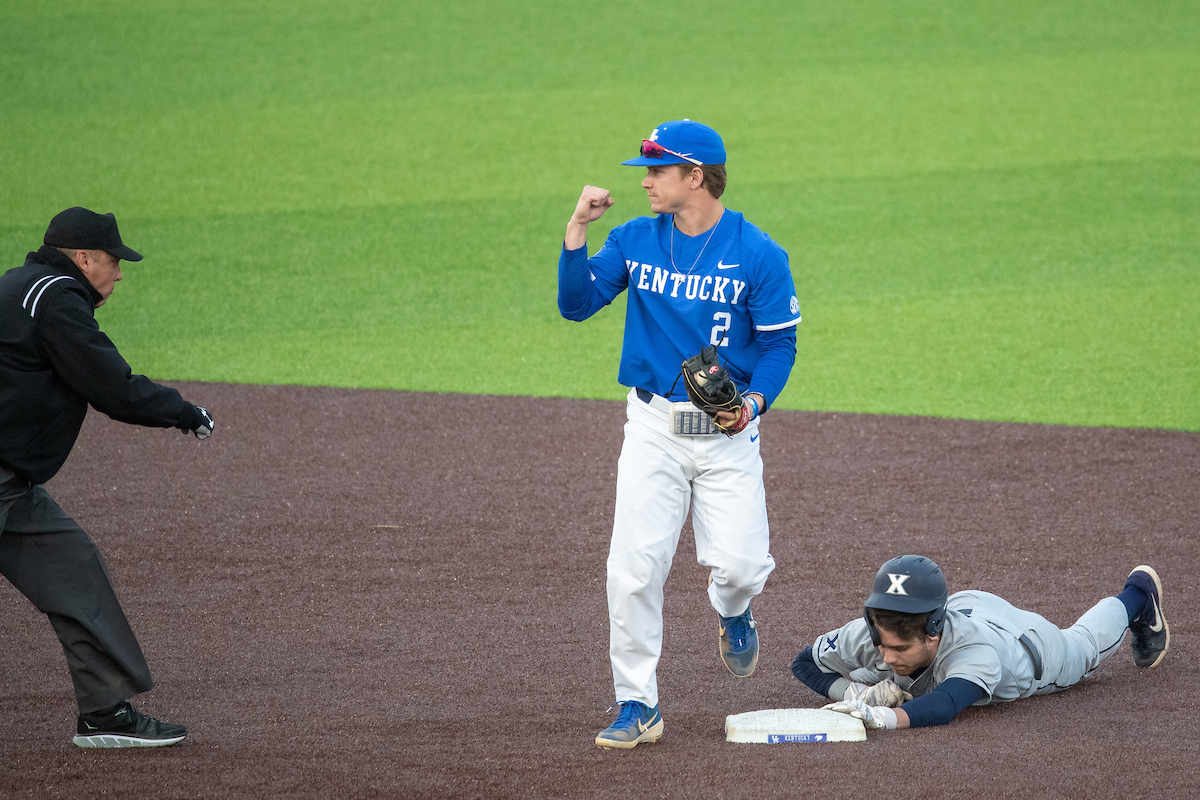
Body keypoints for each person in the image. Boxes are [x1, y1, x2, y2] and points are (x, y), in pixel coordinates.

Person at [558, 120, 802, 749]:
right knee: (633, 570)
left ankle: (734, 610)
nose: (646, 182)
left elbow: (779, 345)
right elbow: (577, 304)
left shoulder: (758, 254)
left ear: (696, 176)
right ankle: (637, 702)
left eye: (658, 171)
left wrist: (752, 403)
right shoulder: (635, 239)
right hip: (652, 432)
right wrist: (577, 231)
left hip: (726, 435)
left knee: (743, 567)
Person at [0, 207, 215, 747]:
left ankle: (102, 713)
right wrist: (183, 411)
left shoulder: (22, 286)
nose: (119, 273)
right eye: (114, 262)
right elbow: (111, 385)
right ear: (85, 257)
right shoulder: (54, 299)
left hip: (13, 485)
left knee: (72, 566)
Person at [791, 554, 1169, 730]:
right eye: (882, 644)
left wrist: (878, 715)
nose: (887, 655)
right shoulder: (873, 630)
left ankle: (1137, 595)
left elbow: (945, 705)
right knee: (874, 676)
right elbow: (803, 663)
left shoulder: (977, 654)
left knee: (1084, 646)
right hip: (965, 604)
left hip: (1029, 648)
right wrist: (850, 690)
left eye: (900, 649)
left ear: (932, 630)